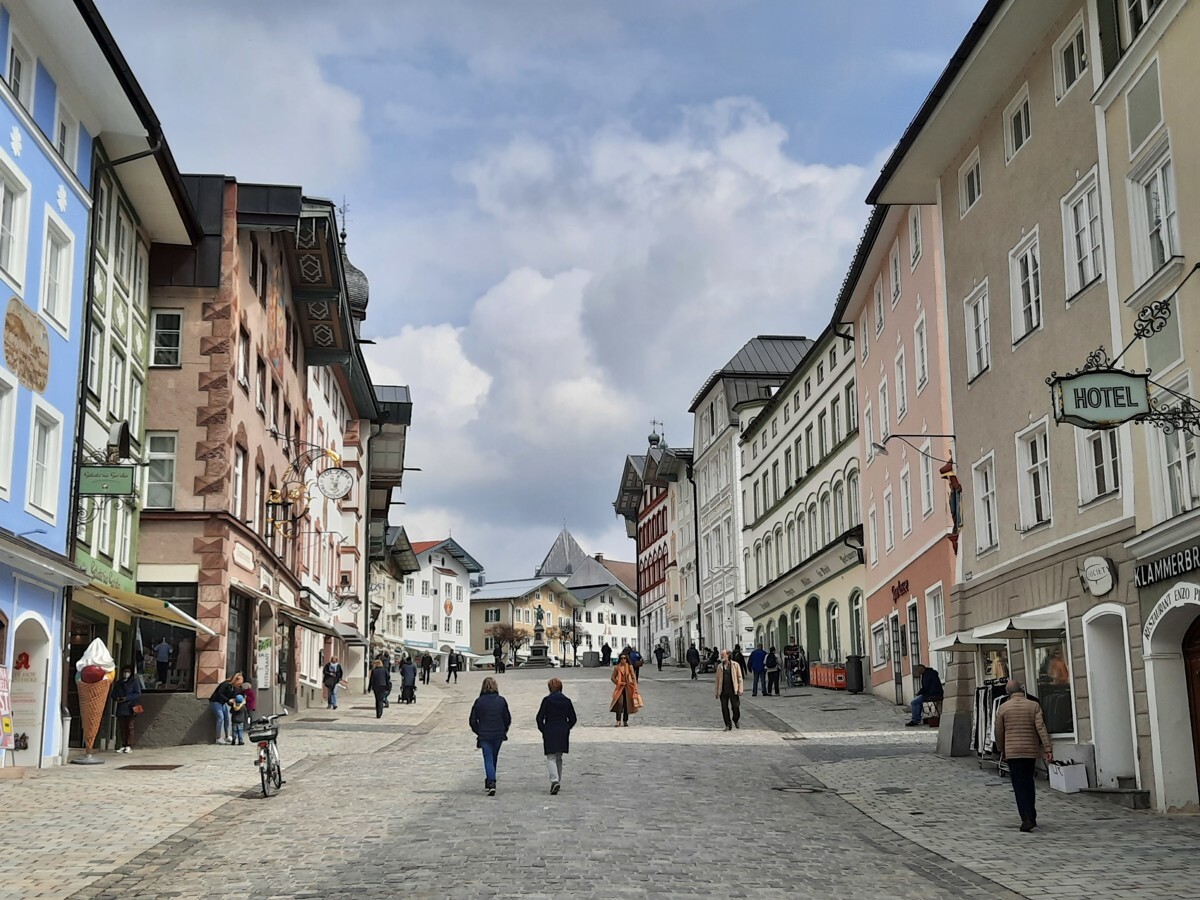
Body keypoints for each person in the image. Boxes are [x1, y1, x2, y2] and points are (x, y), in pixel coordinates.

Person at [994, 680, 1053, 832]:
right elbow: (1041, 728)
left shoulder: (1003, 708)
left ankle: (1026, 817)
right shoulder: (1033, 705)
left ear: (1008, 693)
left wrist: (1001, 749)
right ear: (1021, 689)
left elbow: (999, 732)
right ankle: (1031, 813)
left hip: (1012, 752)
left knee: (1019, 785)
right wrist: (1047, 748)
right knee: (1028, 782)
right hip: (1030, 750)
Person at [469, 676, 511, 796]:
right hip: (498, 733)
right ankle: (490, 779)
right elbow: (507, 718)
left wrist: (479, 731)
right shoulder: (501, 700)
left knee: (488, 757)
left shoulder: (479, 701)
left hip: (484, 734)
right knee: (494, 757)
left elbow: (472, 720)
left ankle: (491, 781)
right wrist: (504, 729)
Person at [536, 677, 577, 795]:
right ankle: (558, 779)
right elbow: (573, 718)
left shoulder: (547, 700)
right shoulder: (567, 701)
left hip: (550, 729)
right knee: (558, 757)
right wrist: (567, 727)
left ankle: (554, 781)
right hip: (562, 729)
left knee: (550, 757)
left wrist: (543, 729)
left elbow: (539, 717)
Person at [111, 665, 142, 753]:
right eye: (124, 672)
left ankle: (129, 745)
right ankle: (123, 744)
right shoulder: (118, 683)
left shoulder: (134, 682)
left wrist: (127, 698)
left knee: (130, 726)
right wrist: (117, 698)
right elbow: (113, 694)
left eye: (127, 672)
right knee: (122, 727)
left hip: (131, 706)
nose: (126, 674)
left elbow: (137, 693)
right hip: (121, 707)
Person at [208, 673, 243, 744]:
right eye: (239, 683)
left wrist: (235, 702)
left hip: (222, 703)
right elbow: (219, 694)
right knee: (220, 718)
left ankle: (227, 736)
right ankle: (218, 738)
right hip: (215, 701)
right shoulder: (225, 684)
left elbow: (232, 697)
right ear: (235, 680)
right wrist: (228, 700)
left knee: (227, 718)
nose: (239, 685)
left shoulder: (234, 688)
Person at [715, 649, 743, 731]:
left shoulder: (735, 665)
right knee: (724, 708)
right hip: (723, 690)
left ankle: (736, 719)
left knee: (735, 706)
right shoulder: (719, 667)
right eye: (721, 655)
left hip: (733, 689)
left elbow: (739, 677)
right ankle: (728, 725)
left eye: (723, 655)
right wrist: (716, 691)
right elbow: (717, 680)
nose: (722, 656)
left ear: (728, 655)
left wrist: (740, 689)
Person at [610, 652, 641, 726]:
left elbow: (633, 677)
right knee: (619, 704)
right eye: (621, 658)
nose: (623, 660)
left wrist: (635, 686)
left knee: (627, 704)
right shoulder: (617, 667)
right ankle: (618, 720)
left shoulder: (629, 666)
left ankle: (625, 721)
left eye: (624, 658)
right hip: (620, 688)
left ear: (627, 659)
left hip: (628, 687)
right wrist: (618, 682)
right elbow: (612, 677)